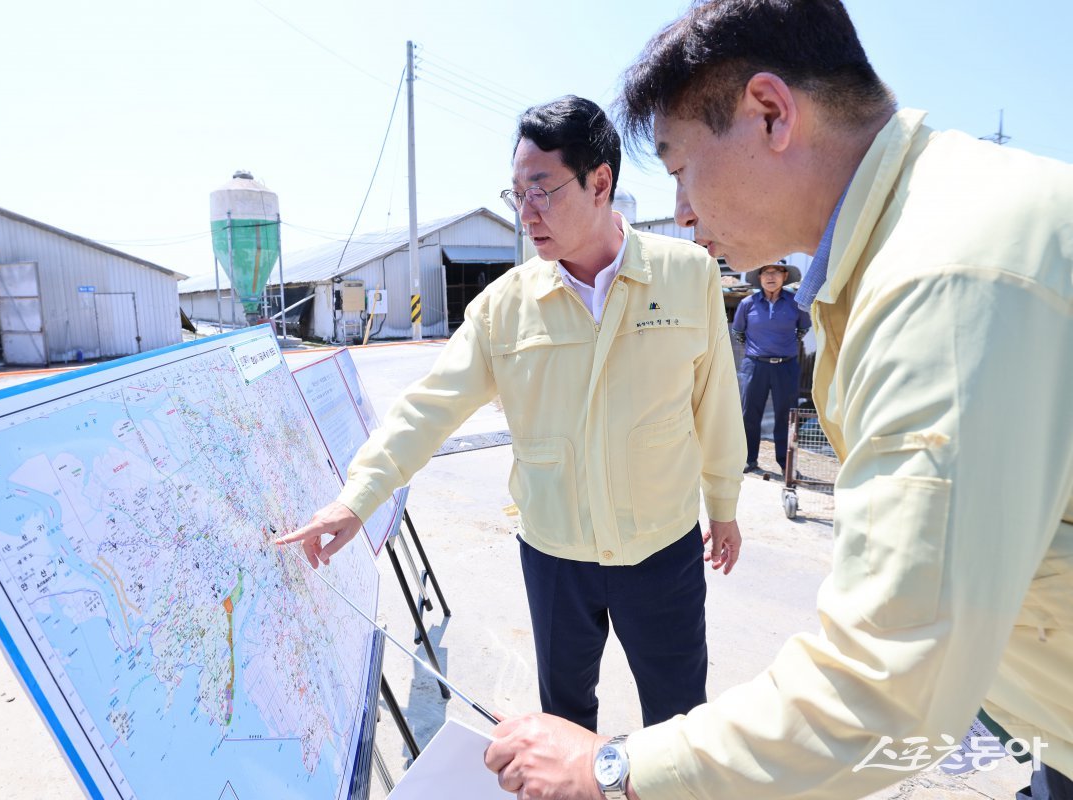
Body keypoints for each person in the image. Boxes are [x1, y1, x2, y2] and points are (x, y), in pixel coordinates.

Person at [485, 1, 1073, 798]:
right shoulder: (922, 226)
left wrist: (611, 765)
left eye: (682, 166)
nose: (683, 211)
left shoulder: (943, 281)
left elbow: (887, 685)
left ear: (770, 113)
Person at [280, 95, 746, 733]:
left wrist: (723, 505)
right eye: (516, 195)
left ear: (600, 182)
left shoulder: (688, 275)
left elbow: (715, 401)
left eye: (542, 190)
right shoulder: (506, 307)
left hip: (662, 551)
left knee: (678, 719)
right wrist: (358, 498)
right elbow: (429, 406)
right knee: (565, 720)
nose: (526, 215)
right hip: (555, 558)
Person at [731, 262, 811, 473]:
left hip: (786, 367)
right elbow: (738, 332)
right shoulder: (748, 303)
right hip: (755, 366)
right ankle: (748, 459)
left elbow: (803, 328)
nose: (770, 276)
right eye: (765, 272)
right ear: (759, 277)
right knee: (750, 413)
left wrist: (782, 347)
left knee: (786, 415)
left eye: (776, 272)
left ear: (785, 276)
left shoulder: (795, 303)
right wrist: (759, 350)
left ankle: (786, 464)